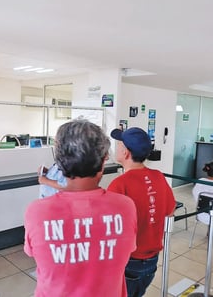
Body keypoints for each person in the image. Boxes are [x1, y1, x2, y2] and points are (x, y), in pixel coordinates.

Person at [24, 120, 137, 297]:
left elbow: (33, 254)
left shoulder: (37, 212)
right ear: (103, 162)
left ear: (59, 162)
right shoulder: (125, 207)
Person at [108, 127, 176, 297]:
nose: (116, 147)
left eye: (118, 144)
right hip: (152, 259)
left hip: (128, 259)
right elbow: (170, 210)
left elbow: (109, 227)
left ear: (125, 153)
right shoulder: (158, 176)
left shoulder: (119, 184)